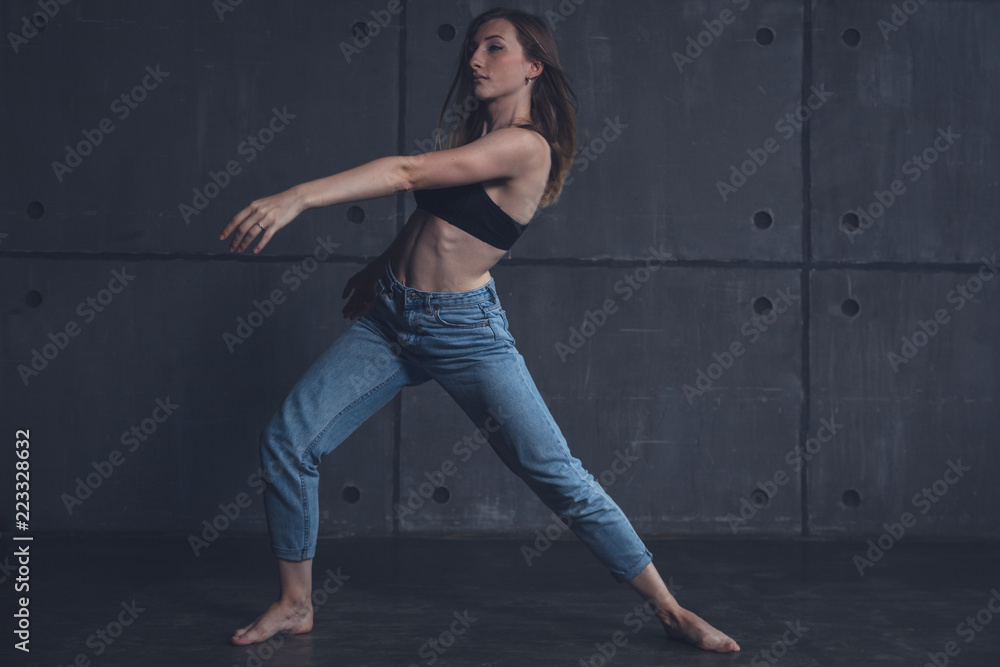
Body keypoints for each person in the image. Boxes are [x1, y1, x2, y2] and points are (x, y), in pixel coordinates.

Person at [220, 7, 739, 654]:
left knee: (557, 476)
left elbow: (406, 174)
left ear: (532, 65)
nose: (474, 60)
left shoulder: (527, 146)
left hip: (463, 332)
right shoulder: (472, 138)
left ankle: (670, 607)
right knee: (288, 439)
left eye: (493, 48)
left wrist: (297, 195)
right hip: (390, 319)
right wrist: (380, 267)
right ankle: (295, 602)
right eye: (472, 48)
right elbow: (438, 221)